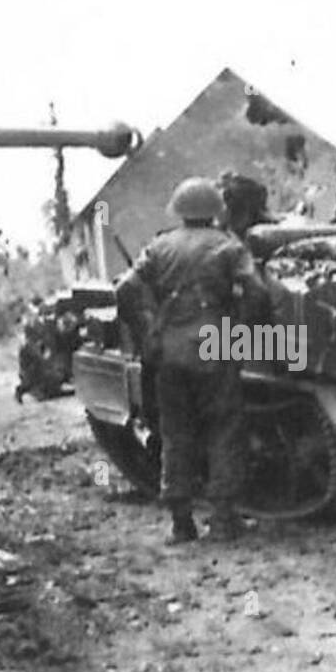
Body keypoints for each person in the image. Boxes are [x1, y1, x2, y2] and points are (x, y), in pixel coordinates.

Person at [115, 177, 268, 543]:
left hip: (169, 350)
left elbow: (124, 288)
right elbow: (257, 291)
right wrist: (241, 331)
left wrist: (145, 330)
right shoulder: (228, 246)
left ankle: (181, 523)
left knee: (175, 432)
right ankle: (223, 519)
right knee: (223, 428)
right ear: (216, 210)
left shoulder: (158, 246)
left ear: (179, 210)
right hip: (214, 345)